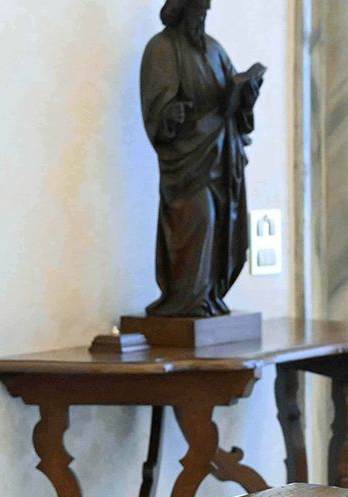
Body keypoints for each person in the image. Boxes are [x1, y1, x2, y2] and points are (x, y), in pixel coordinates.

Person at [138, 0, 263, 317]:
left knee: (221, 224)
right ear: (181, 10)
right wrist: (169, 114)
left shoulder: (215, 49)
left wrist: (246, 95)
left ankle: (208, 296)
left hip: (220, 155)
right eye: (197, 11)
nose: (202, 18)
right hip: (188, 161)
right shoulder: (162, 48)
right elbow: (155, 105)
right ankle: (186, 300)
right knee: (199, 218)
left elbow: (231, 98)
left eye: (205, 12)